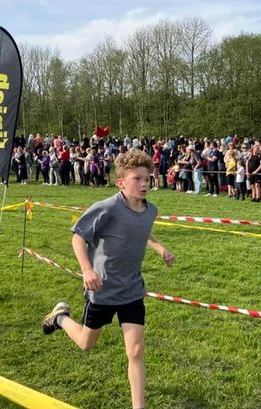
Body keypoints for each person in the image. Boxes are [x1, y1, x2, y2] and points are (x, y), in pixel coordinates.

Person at [41, 149, 175, 409]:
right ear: (121, 183)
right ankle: (60, 318)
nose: (144, 184)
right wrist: (87, 270)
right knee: (86, 343)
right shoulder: (107, 208)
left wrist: (161, 250)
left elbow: (143, 232)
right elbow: (78, 236)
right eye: (137, 179)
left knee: (135, 351)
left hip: (132, 289)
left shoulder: (150, 210)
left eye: (147, 178)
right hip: (102, 290)